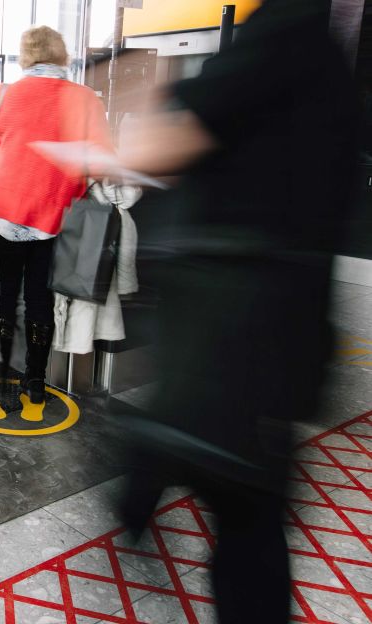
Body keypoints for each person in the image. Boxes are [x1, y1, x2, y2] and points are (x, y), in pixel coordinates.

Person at [108, 0, 359, 621]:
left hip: (229, 327)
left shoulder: (275, 35)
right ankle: (138, 493)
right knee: (248, 495)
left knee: (233, 494)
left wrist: (137, 106)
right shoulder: (333, 62)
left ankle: (137, 497)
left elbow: (163, 146)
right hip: (287, 326)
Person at [0, 26, 111, 404]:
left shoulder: (4, 95)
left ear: (26, 55)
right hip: (54, 215)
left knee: (6, 294)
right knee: (40, 298)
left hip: (6, 209)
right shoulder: (85, 99)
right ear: (61, 53)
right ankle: (35, 382)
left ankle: (3, 377)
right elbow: (100, 159)